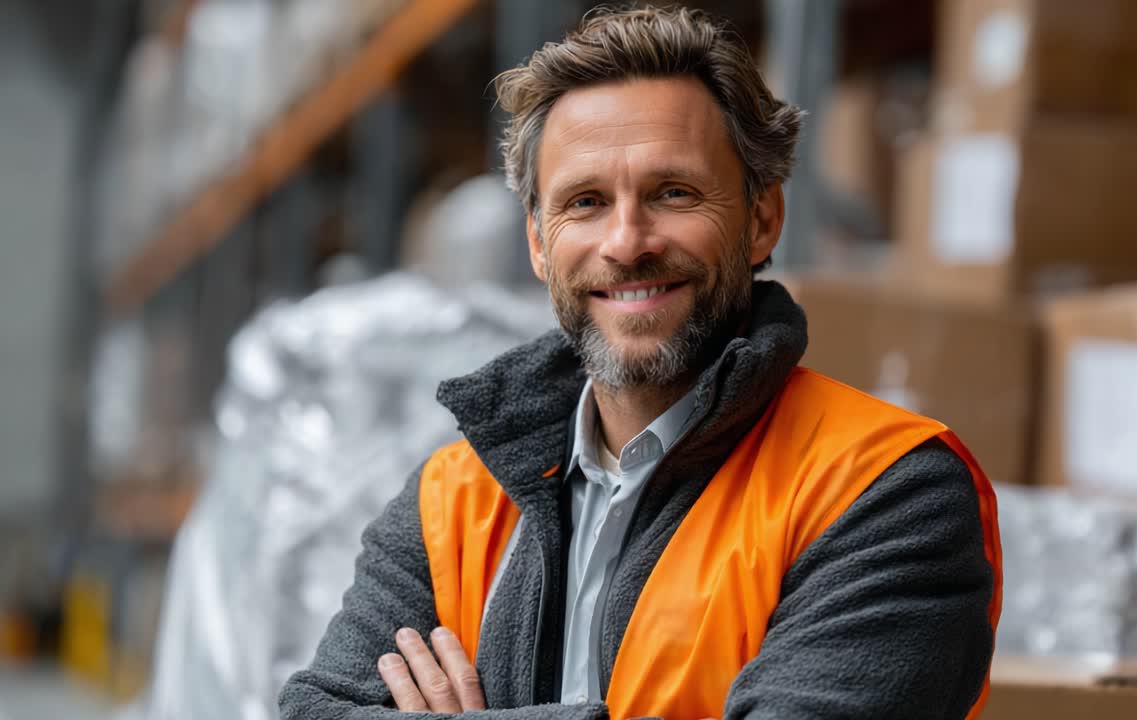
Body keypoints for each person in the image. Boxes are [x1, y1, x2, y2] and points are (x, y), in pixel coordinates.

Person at [279, 6, 1001, 719]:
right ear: (537, 242)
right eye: (585, 202)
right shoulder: (452, 501)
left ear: (762, 219)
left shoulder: (886, 492)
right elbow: (319, 710)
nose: (626, 243)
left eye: (673, 193)